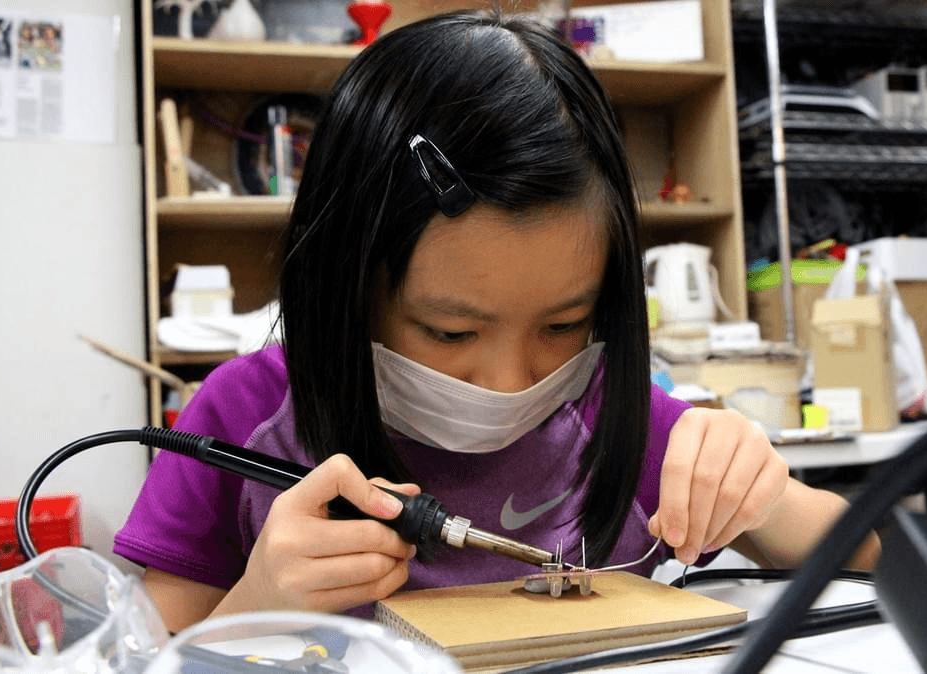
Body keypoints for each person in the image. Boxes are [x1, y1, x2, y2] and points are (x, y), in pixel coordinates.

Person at [115, 9, 879, 633]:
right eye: (451, 333)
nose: (511, 383)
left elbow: (870, 560)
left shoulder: (618, 420)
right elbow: (147, 655)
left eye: (563, 324)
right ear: (346, 284)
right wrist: (256, 606)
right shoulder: (242, 421)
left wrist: (764, 498)